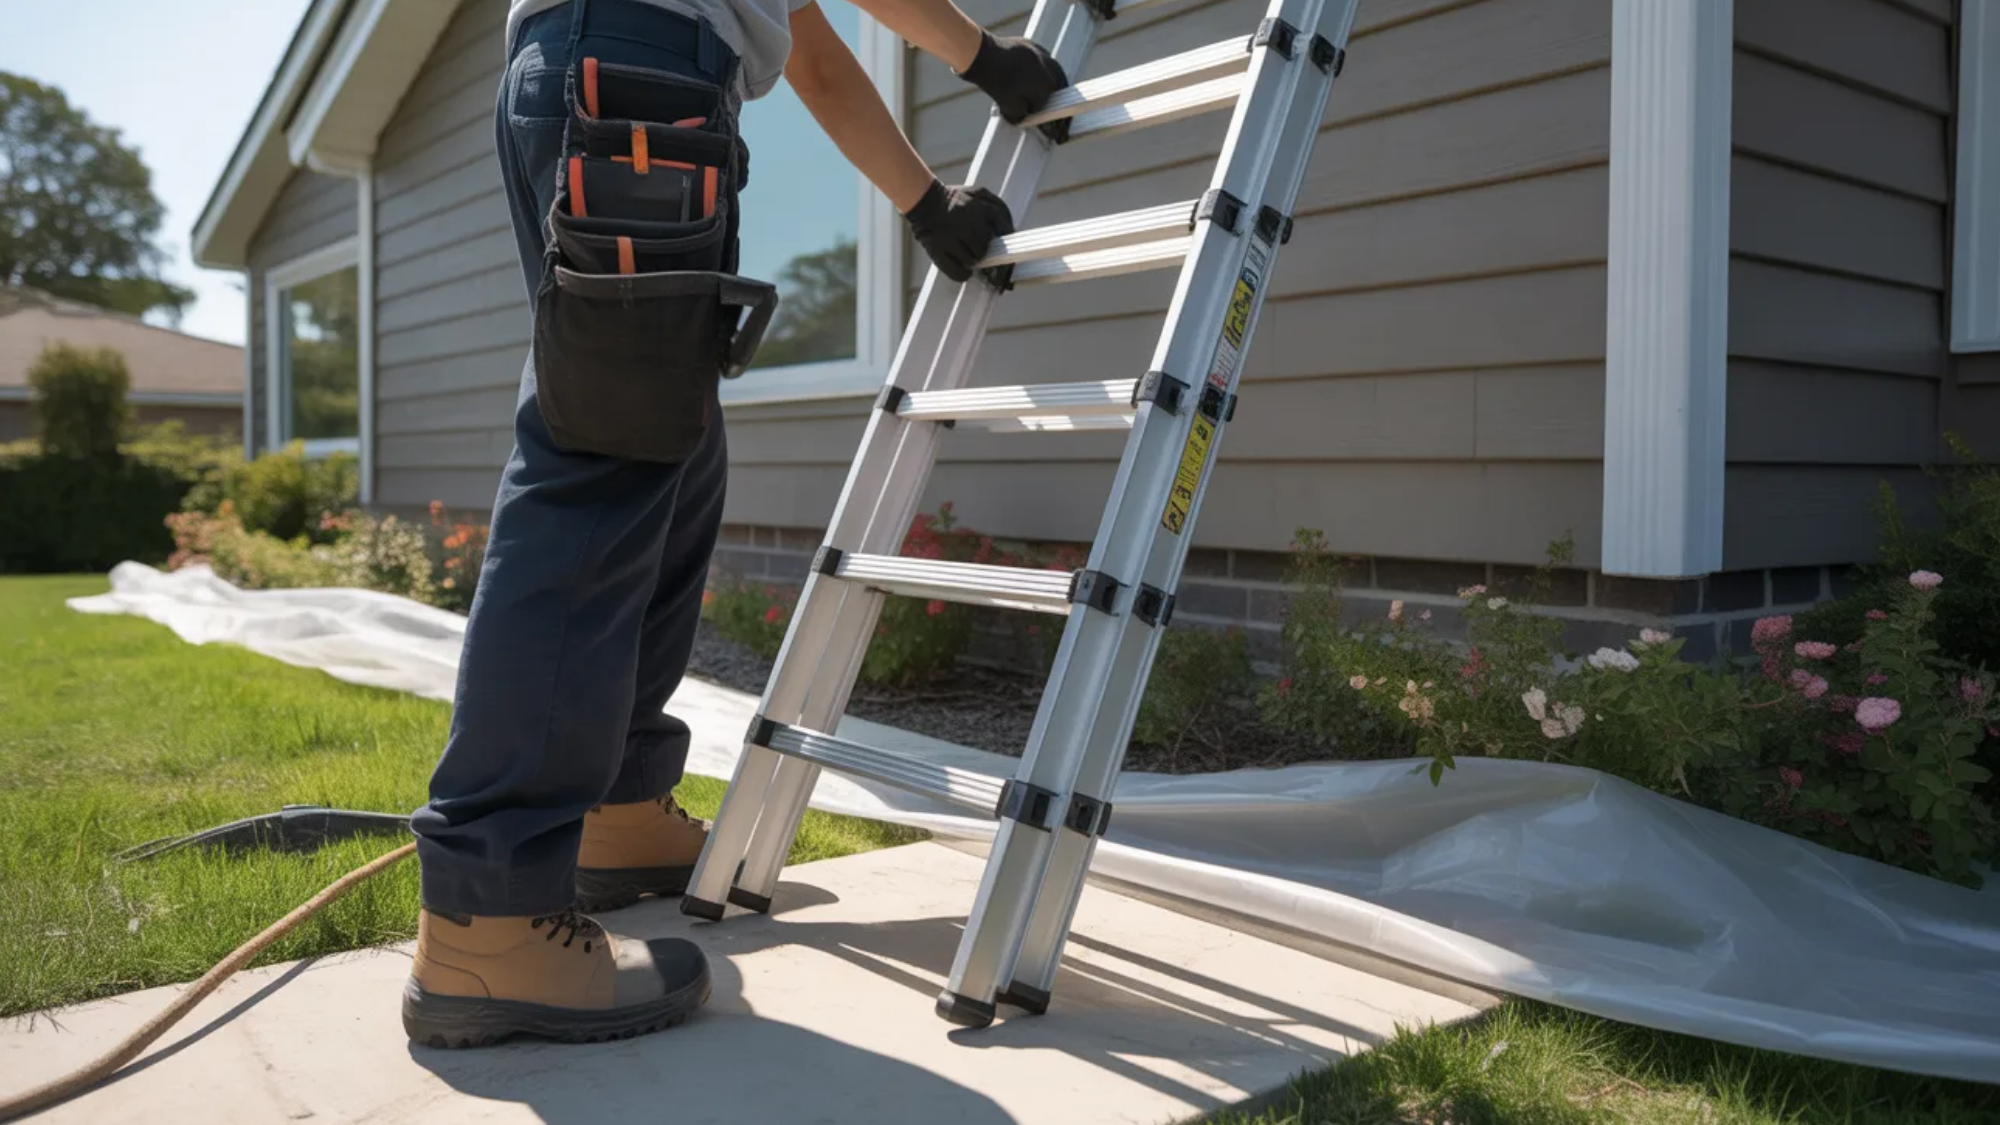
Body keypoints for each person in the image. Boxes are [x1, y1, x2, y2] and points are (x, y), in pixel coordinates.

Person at [399, 0, 1068, 1048]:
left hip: (605, 74)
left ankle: (617, 817)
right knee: (599, 468)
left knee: (669, 444)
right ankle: (490, 915)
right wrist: (983, 55)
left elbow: (805, 44)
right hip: (629, 80)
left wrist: (925, 202)